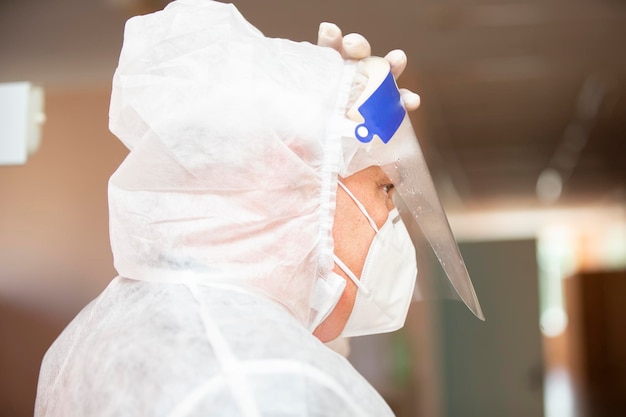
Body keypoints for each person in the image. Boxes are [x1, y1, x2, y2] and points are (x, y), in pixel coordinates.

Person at [34, 1, 483, 416]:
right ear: (287, 175)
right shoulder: (264, 385)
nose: (390, 216)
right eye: (385, 189)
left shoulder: (104, 331)